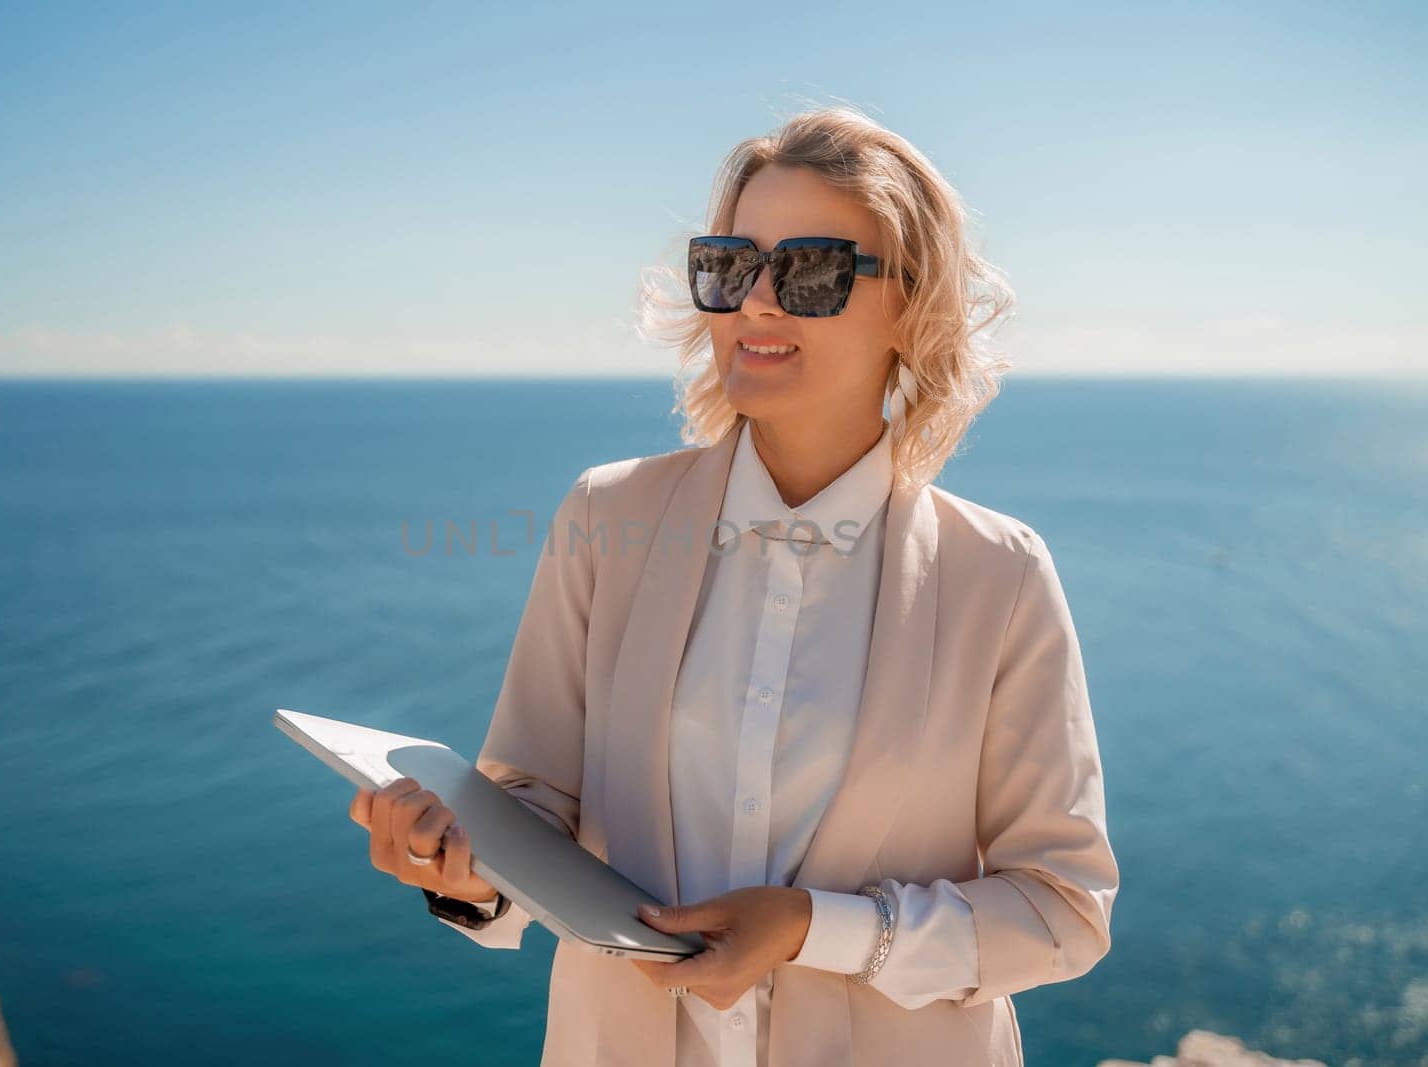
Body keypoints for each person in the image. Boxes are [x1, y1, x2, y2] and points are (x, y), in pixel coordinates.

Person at [349, 103, 1119, 1067]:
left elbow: (1062, 911)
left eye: (808, 270)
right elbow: (529, 803)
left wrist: (811, 926)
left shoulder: (999, 575)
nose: (756, 300)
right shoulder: (603, 515)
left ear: (910, 303)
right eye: (728, 264)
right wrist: (459, 866)